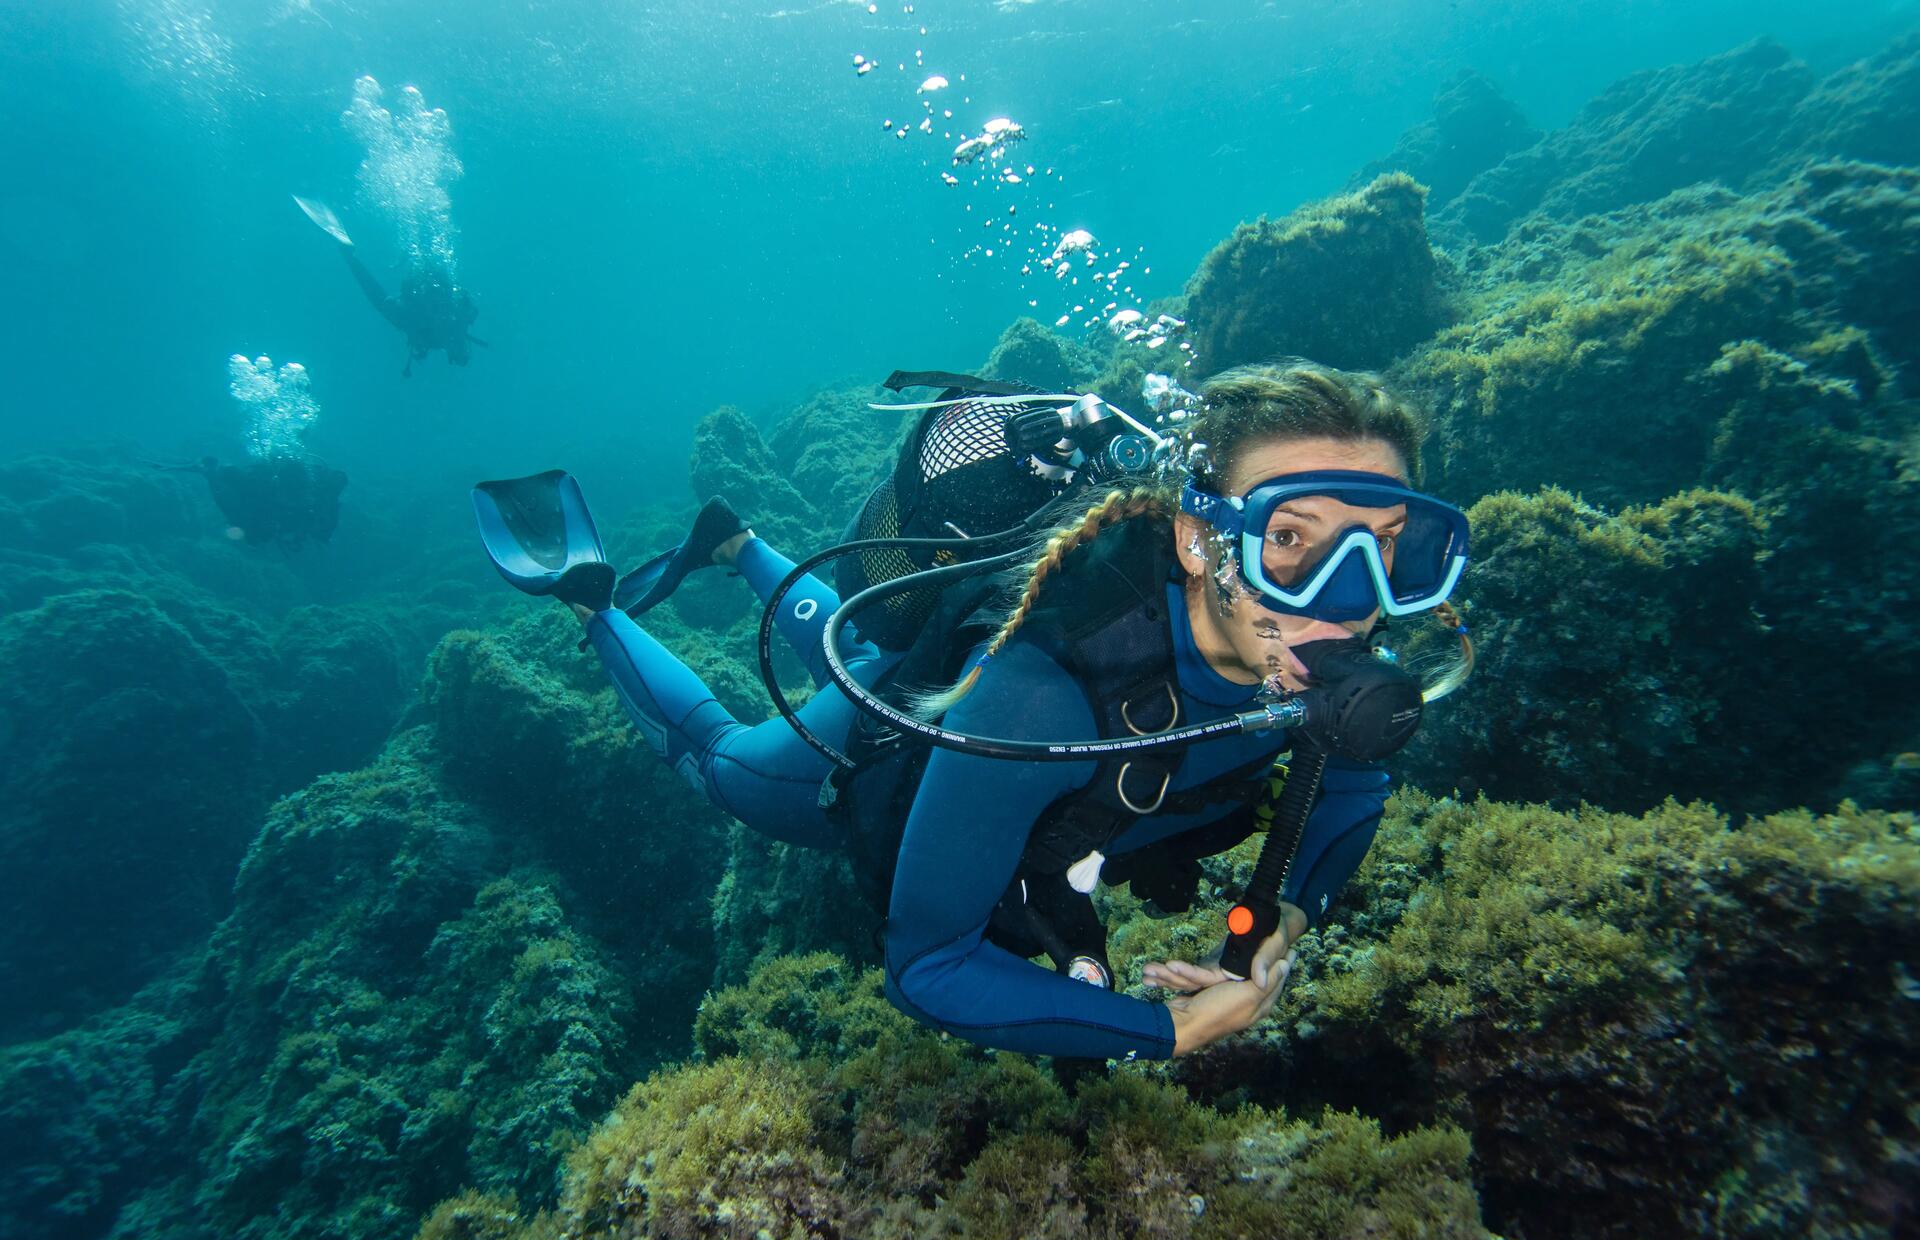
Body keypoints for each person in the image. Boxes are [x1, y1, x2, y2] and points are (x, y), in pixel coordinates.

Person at [473, 361, 1470, 1060]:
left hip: (946, 661)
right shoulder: (1043, 698)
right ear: (1200, 542)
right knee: (730, 765)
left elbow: (1346, 796)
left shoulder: (1331, 670)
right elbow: (930, 963)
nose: (1348, 598)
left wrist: (1285, 914)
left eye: (1385, 547)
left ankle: (735, 545)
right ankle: (590, 599)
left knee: (863, 645)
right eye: (1289, 539)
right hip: (896, 730)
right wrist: (1171, 1028)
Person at [294, 196, 484, 376]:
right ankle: (350, 256)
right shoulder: (453, 328)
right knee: (380, 299)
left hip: (419, 300)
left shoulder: (461, 322)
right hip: (416, 306)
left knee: (385, 296)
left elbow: (464, 301)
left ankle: (353, 256)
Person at [164, 455, 348, 548]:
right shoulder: (263, 487)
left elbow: (324, 529)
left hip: (272, 508)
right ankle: (209, 470)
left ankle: (209, 471)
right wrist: (212, 474)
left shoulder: (320, 498)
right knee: (246, 527)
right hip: (261, 502)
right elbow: (234, 481)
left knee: (251, 531)